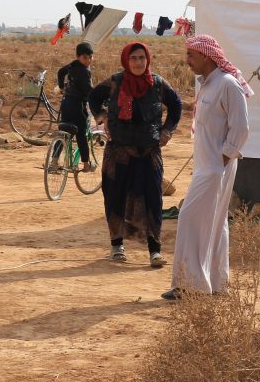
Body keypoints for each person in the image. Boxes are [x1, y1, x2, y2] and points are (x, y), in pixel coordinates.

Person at [163, 34, 251, 300]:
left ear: (205, 55)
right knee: (214, 223)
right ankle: (215, 282)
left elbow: (241, 128)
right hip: (207, 166)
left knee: (189, 219)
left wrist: (220, 161)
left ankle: (190, 286)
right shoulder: (208, 84)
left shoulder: (228, 84)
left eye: (191, 55)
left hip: (215, 168)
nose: (187, 60)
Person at [90, 42, 182, 267]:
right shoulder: (115, 82)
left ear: (147, 59)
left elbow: (176, 105)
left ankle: (155, 251)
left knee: (153, 198)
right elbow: (93, 97)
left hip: (149, 152)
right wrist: (102, 117)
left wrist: (167, 130)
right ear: (126, 60)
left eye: (142, 58)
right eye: (134, 58)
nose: (138, 62)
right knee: (115, 196)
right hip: (118, 152)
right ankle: (117, 246)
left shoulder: (157, 84)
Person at [55, 41, 97, 172]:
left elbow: (60, 72)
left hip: (66, 103)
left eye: (90, 57)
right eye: (85, 57)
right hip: (77, 106)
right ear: (78, 56)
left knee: (64, 132)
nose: (88, 60)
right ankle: (86, 164)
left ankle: (54, 161)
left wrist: (61, 87)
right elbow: (88, 90)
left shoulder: (72, 65)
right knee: (81, 134)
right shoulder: (85, 71)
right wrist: (99, 96)